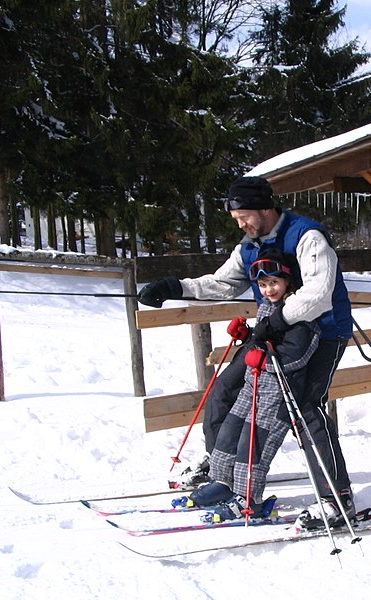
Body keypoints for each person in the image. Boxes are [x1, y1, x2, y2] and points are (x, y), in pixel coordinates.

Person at [138, 176, 355, 527]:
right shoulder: (249, 245)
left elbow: (318, 292)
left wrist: (280, 319)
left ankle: (337, 498)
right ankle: (226, 476)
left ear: (265, 208)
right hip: (272, 333)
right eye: (236, 218)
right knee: (225, 390)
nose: (240, 224)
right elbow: (223, 283)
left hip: (323, 333)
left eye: (244, 216)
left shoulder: (307, 237)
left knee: (303, 406)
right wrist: (176, 287)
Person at [187, 248, 321, 523]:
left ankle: (250, 499)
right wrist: (248, 336)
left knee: (254, 443)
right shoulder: (267, 307)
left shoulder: (302, 311)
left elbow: (298, 354)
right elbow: (264, 340)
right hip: (254, 385)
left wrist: (264, 359)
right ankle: (224, 483)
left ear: (288, 282)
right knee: (229, 432)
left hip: (279, 392)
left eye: (273, 282)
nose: (268, 289)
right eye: (262, 284)